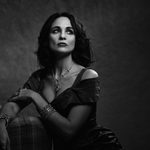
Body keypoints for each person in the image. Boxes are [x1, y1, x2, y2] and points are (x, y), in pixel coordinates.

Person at [0, 12, 123, 150]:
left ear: (76, 40)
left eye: (69, 31)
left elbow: (68, 131)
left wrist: (35, 96)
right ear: (47, 38)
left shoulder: (87, 76)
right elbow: (12, 105)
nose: (62, 36)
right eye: (56, 30)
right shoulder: (38, 78)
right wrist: (1, 123)